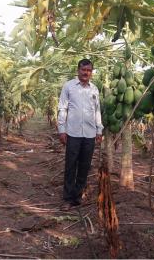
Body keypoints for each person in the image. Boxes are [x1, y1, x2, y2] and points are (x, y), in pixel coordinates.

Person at [57, 58, 103, 207]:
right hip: (73, 133)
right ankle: (68, 198)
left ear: (91, 72)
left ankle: (77, 196)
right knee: (71, 166)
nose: (86, 73)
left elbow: (97, 111)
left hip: (89, 134)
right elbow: (62, 108)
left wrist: (99, 130)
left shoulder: (94, 89)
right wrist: (62, 130)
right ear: (78, 70)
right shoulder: (69, 86)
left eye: (89, 70)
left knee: (84, 166)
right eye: (83, 70)